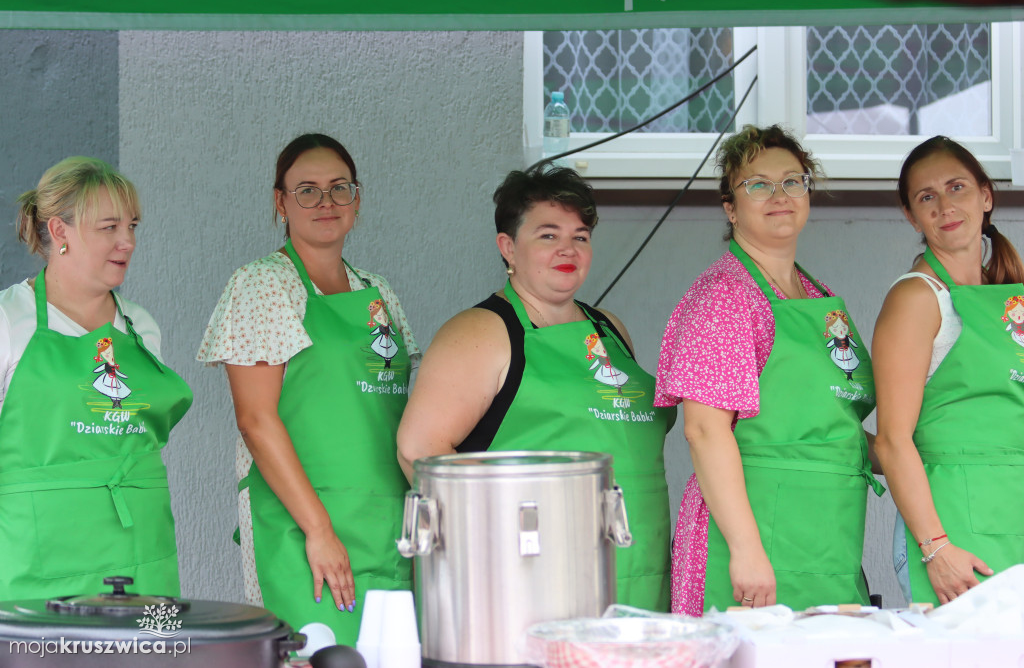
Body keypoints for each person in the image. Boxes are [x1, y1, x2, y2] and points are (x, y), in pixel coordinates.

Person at [396, 167, 675, 611]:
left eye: (580, 236)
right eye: (548, 235)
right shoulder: (482, 332)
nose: (568, 248)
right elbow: (417, 449)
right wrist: (501, 538)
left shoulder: (610, 329)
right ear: (508, 247)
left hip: (639, 565)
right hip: (530, 576)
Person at [197, 134, 419, 645]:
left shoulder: (379, 292)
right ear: (281, 203)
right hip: (304, 528)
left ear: (357, 200)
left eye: (339, 189)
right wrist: (319, 532)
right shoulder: (262, 285)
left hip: (388, 527)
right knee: (313, 654)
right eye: (307, 190)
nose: (325, 202)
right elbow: (256, 420)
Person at [656, 125, 881, 615]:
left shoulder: (818, 297)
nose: (779, 195)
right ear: (730, 208)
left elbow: (825, 424)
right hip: (753, 537)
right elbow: (704, 430)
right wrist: (746, 550)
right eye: (757, 184)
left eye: (792, 181)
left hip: (823, 533)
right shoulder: (726, 296)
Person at [0, 157, 193, 600]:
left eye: (133, 226)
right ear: (59, 231)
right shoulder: (9, 321)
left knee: (148, 657)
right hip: (35, 560)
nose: (127, 241)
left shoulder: (140, 326)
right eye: (109, 227)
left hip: (142, 548)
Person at [873, 136, 1024, 606]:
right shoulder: (917, 298)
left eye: (956, 187)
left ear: (985, 195)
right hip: (955, 532)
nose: (944, 206)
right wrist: (936, 549)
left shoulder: (1011, 300)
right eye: (926, 197)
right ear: (911, 215)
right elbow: (892, 440)